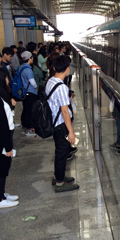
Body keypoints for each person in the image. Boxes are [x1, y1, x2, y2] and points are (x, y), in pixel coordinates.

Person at [46, 55, 79, 192]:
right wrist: (70, 131)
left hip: (54, 122)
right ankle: (59, 183)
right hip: (61, 125)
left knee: (60, 150)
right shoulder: (61, 87)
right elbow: (65, 111)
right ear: (67, 70)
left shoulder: (50, 81)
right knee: (62, 152)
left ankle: (57, 176)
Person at [0, 68, 19, 208]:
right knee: (1, 166)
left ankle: (1, 193)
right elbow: (0, 126)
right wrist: (7, 147)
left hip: (0, 138)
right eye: (6, 77)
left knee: (4, 165)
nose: (8, 80)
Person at [17, 51, 38, 135]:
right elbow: (32, 81)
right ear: (29, 58)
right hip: (30, 92)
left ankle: (24, 127)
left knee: (25, 109)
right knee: (30, 110)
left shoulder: (21, 67)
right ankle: (29, 128)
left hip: (24, 91)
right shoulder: (28, 69)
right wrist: (36, 88)